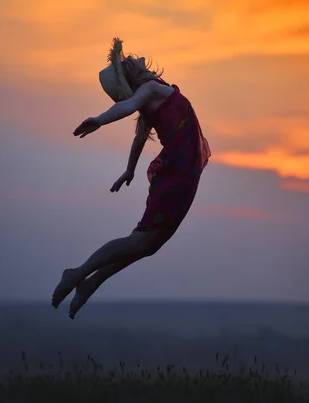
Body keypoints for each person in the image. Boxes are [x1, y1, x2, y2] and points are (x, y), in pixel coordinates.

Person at [52, 37, 210, 319]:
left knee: (149, 244)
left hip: (185, 173)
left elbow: (139, 137)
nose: (138, 60)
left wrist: (130, 169)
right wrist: (100, 120)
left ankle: (92, 282)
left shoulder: (158, 93)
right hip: (177, 173)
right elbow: (126, 107)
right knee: (142, 240)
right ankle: (79, 273)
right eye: (129, 63)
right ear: (133, 77)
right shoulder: (149, 91)